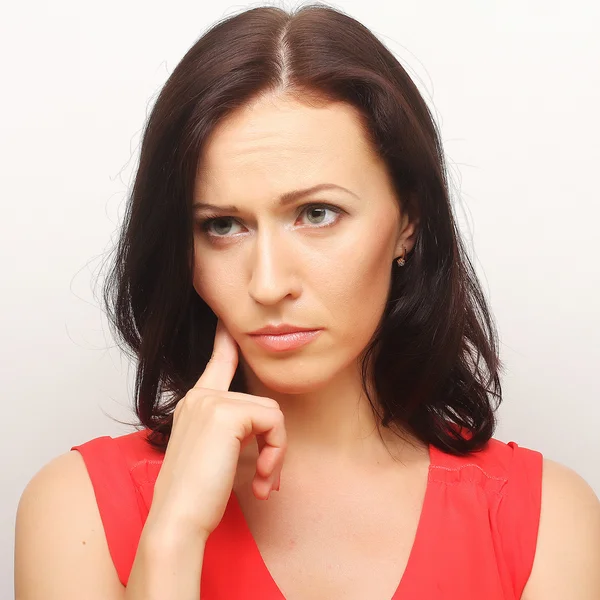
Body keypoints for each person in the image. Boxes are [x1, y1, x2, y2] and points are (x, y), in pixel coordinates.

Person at [14, 3, 600, 600]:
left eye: (317, 214)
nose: (268, 284)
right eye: (221, 226)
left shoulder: (545, 521)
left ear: (408, 223)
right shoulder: (78, 507)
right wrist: (173, 534)